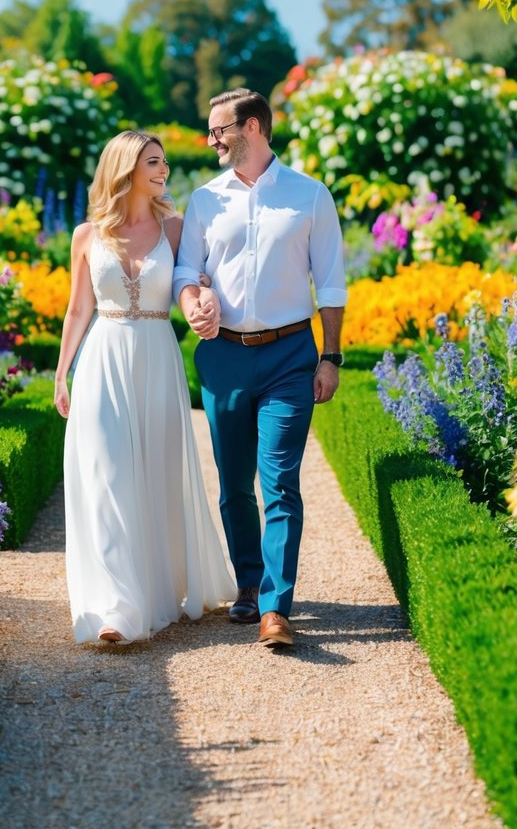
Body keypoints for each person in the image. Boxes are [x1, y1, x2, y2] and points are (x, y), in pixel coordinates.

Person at [173, 89, 347, 648]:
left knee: (279, 481)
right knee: (233, 484)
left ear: (252, 126)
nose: (212, 140)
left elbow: (333, 283)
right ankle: (247, 583)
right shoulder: (204, 200)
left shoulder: (310, 196)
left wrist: (331, 355)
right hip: (222, 356)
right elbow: (185, 271)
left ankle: (276, 606)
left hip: (289, 358)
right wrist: (194, 299)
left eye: (219, 129)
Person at [54, 130, 236, 645]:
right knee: (107, 475)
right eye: (153, 162)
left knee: (155, 476)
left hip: (157, 359)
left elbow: (195, 285)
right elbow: (78, 309)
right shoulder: (87, 236)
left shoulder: (176, 228)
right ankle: (117, 610)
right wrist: (61, 372)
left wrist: (205, 303)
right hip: (102, 360)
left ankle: (155, 592)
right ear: (125, 168)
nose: (163, 171)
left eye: (163, 163)